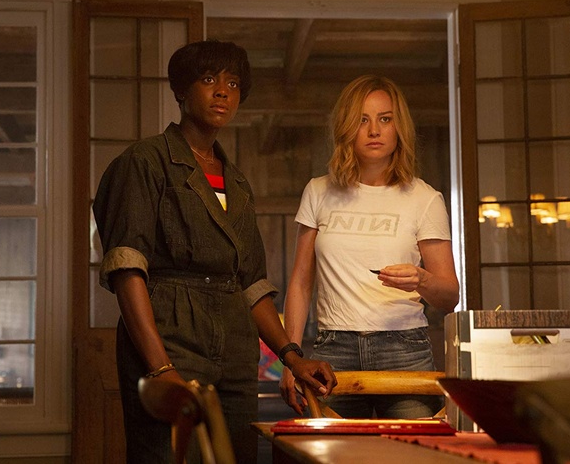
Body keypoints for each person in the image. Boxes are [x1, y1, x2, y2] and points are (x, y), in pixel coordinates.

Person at [93, 40, 337, 463]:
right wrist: (160, 367)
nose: (223, 91)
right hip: (170, 338)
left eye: (234, 83)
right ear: (181, 89)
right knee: (168, 455)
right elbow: (127, 270)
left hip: (236, 351)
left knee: (234, 455)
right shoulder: (145, 162)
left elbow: (252, 285)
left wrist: (292, 357)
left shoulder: (237, 183)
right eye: (208, 79)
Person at [278, 74, 459, 419]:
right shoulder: (318, 191)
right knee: (335, 449)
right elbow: (300, 283)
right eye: (362, 120)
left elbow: (450, 296)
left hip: (404, 349)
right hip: (334, 351)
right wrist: (291, 359)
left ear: (399, 128)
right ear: (346, 127)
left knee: (411, 448)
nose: (374, 130)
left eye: (385, 119)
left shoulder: (424, 198)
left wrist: (421, 279)